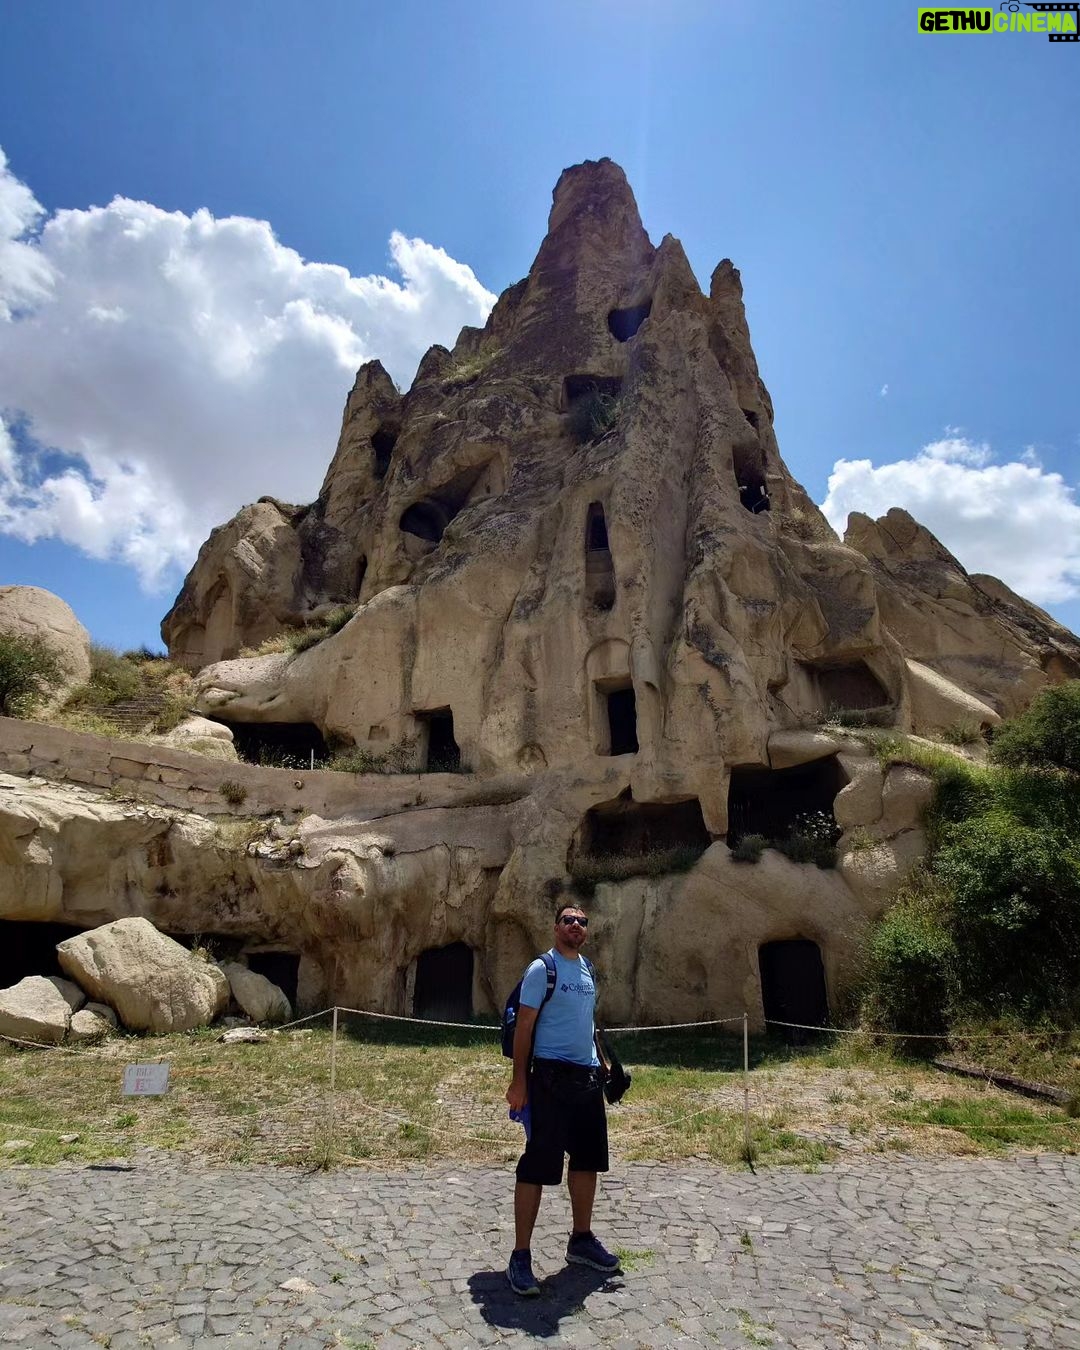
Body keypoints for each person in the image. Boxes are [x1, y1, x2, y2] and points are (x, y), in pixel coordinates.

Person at [504, 901, 620, 1297]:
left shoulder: (587, 969)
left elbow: (587, 1023)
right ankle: (520, 1255)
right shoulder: (543, 969)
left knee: (588, 1162)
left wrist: (603, 1063)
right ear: (556, 928)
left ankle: (581, 1240)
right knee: (538, 1165)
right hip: (549, 1079)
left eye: (582, 921)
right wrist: (519, 1082)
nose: (576, 925)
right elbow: (524, 1027)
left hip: (587, 1079)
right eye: (568, 919)